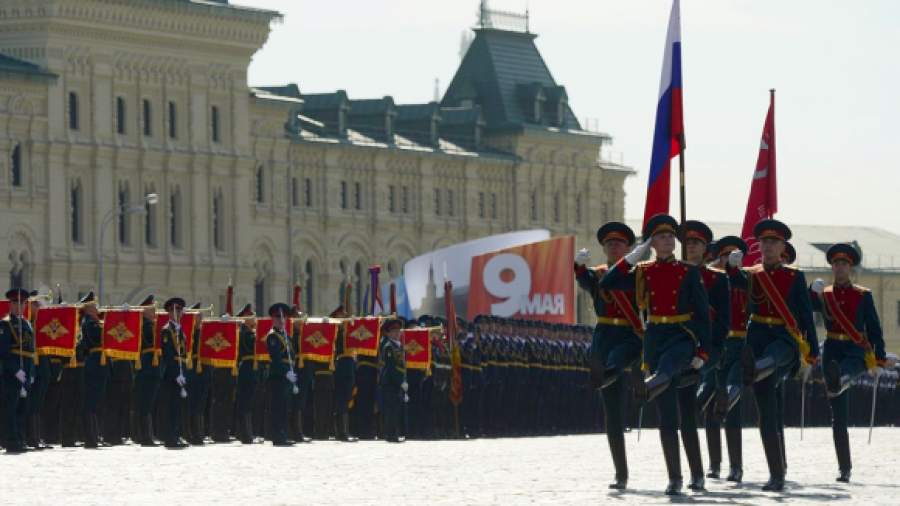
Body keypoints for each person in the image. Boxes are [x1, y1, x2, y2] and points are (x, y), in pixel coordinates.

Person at [599, 214, 710, 495]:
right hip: (655, 339)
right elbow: (608, 283)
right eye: (661, 237)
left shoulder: (688, 271)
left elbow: (702, 315)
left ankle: (645, 389)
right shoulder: (643, 270)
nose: (668, 240)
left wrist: (703, 352)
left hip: (682, 336)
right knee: (668, 417)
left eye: (671, 236)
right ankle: (676, 476)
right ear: (652, 242)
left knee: (670, 370)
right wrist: (634, 255)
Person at [741, 219, 819, 491]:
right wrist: (730, 268)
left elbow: (806, 314)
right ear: (759, 246)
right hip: (757, 337)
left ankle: (755, 367)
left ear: (783, 246)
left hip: (785, 339)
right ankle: (777, 473)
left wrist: (813, 352)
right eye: (764, 242)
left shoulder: (794, 276)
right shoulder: (750, 273)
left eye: (774, 242)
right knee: (767, 413)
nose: (768, 246)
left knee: (773, 358)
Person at [810, 243, 891, 482]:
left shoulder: (863, 295)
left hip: (855, 349)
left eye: (844, 263)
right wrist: (809, 291)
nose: (840, 267)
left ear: (851, 267)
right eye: (836, 264)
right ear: (832, 267)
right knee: (839, 417)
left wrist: (879, 357)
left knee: (846, 373)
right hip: (832, 349)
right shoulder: (824, 295)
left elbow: (874, 328)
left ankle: (842, 379)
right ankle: (844, 468)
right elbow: (804, 309)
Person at [574, 221, 642, 490]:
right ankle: (620, 473)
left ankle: (607, 374)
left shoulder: (639, 275)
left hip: (630, 337)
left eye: (619, 243)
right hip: (603, 337)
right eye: (609, 243)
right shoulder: (599, 275)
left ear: (628, 248)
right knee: (611, 413)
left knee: (612, 368)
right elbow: (583, 279)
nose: (614, 247)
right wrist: (578, 265)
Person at [680, 220, 730, 487]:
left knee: (691, 406)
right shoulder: (673, 273)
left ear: (705, 249)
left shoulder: (717, 278)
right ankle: (695, 472)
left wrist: (710, 350)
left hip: (707, 350)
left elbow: (723, 320)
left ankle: (699, 473)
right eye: (687, 243)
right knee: (685, 412)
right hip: (678, 347)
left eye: (696, 243)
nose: (691, 247)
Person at [710, 236, 750, 482]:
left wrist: (734, 270)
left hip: (739, 343)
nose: (727, 260)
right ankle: (714, 464)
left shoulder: (746, 279)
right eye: (723, 256)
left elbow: (741, 283)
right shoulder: (712, 280)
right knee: (713, 406)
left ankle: (736, 466)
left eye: (732, 256)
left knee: (732, 405)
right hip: (717, 344)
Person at [1, 287, 36, 453]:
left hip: (27, 370)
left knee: (23, 407)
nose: (19, 306)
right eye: (16, 302)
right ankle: (12, 441)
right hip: (12, 372)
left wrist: (31, 373)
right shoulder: (5, 324)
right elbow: (4, 352)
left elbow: (31, 351)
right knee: (11, 408)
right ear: (10, 304)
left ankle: (21, 438)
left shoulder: (26, 324)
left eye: (22, 303)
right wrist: (15, 370)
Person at [266, 302, 297, 446]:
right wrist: (286, 373)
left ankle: (284, 433)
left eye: (283, 317)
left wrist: (292, 372)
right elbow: (277, 359)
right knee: (278, 407)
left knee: (285, 407)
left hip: (287, 376)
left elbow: (292, 355)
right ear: (273, 318)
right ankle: (277, 436)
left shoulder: (285, 335)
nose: (281, 320)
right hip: (278, 376)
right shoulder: (272, 336)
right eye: (278, 317)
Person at [160, 297, 189, 449]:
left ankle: (177, 435)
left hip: (181, 370)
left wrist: (184, 372)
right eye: (175, 310)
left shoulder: (179, 330)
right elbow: (168, 354)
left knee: (178, 407)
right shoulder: (166, 330)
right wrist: (176, 374)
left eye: (180, 310)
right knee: (171, 407)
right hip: (172, 373)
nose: (178, 313)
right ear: (169, 312)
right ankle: (170, 437)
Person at [135, 295, 163, 446]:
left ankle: (146, 435)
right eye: (152, 309)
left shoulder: (150, 325)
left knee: (147, 404)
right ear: (145, 311)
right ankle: (145, 436)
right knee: (145, 403)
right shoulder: (147, 326)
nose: (155, 312)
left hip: (150, 366)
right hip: (148, 366)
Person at [379, 318, 407, 442]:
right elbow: (391, 368)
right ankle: (391, 434)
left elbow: (402, 366)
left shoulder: (399, 346)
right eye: (394, 331)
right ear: (388, 333)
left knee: (396, 409)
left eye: (398, 331)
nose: (397, 333)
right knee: (391, 409)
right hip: (390, 382)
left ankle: (394, 433)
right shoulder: (389, 347)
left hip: (397, 382)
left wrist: (404, 380)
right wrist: (400, 382)